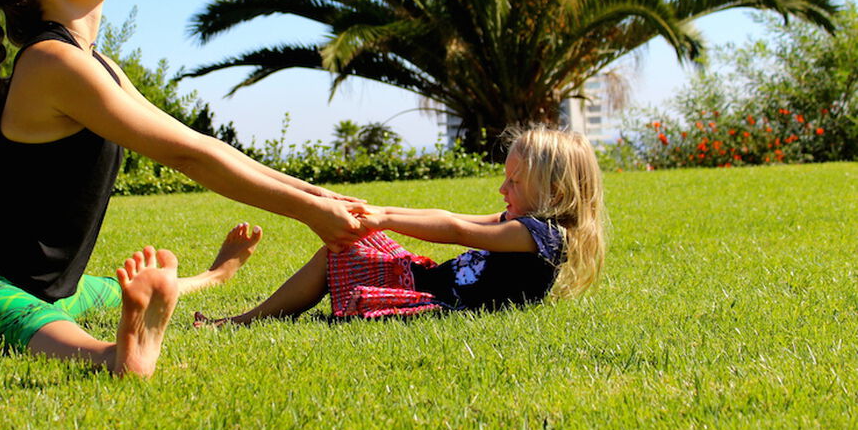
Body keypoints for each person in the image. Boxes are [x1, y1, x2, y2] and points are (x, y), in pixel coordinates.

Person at [0, 0, 364, 377]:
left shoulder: (94, 61)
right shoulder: (50, 61)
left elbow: (199, 141)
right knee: (34, 321)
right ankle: (116, 356)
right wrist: (310, 213)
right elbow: (186, 156)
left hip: (50, 285)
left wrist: (318, 196)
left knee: (95, 290)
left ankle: (211, 277)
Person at [195, 126, 606, 325]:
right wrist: (375, 213)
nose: (503, 188)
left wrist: (384, 218)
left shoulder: (538, 236)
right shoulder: (525, 222)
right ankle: (251, 317)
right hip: (430, 282)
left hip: (439, 301)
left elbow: (457, 230)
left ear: (553, 189)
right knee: (350, 242)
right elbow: (454, 218)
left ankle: (247, 320)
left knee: (339, 249)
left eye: (514, 181)